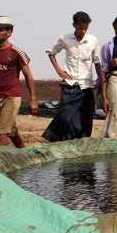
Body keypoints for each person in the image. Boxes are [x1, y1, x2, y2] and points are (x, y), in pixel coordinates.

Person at [42, 11, 103, 142]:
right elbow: (51, 53)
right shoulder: (65, 38)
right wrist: (59, 70)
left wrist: (101, 82)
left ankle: (81, 147)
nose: (83, 31)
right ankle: (56, 139)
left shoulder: (93, 40)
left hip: (86, 86)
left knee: (84, 119)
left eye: (85, 29)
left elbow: (97, 62)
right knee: (64, 117)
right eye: (80, 28)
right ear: (74, 25)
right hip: (70, 85)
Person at [0, 15, 39, 148]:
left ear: (9, 32)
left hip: (12, 98)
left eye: (0, 30)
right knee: (12, 132)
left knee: (1, 134)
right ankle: (24, 153)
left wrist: (33, 99)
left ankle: (1, 165)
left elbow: (28, 75)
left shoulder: (17, 52)